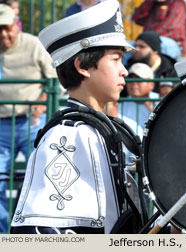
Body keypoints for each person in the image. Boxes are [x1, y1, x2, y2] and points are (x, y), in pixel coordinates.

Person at [10, 0, 147, 234]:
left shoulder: (101, 130)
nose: (124, 69)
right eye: (115, 59)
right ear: (82, 66)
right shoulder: (69, 135)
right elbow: (44, 234)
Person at [0, 4, 57, 233]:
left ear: (16, 26)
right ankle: (5, 236)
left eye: (7, 28)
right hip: (2, 125)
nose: (4, 34)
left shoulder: (33, 44)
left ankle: (37, 234)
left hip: (32, 123)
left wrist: (41, 101)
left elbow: (56, 77)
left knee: (41, 181)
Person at [125, 30, 177, 95]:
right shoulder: (128, 67)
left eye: (142, 46)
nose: (136, 49)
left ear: (155, 50)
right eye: (136, 46)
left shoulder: (171, 70)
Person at [119, 63, 159, 131]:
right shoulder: (120, 107)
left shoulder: (162, 101)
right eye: (131, 79)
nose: (134, 83)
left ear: (151, 84)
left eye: (139, 79)